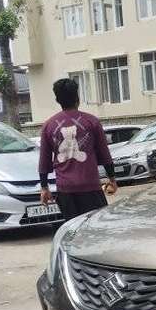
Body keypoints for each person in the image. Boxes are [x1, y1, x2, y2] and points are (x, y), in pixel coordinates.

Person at [38, 78, 118, 220]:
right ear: (77, 97)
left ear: (57, 100)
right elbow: (104, 154)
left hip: (65, 190)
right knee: (95, 230)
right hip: (91, 188)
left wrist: (44, 188)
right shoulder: (91, 121)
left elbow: (44, 161)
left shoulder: (48, 126)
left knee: (72, 231)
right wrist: (112, 178)